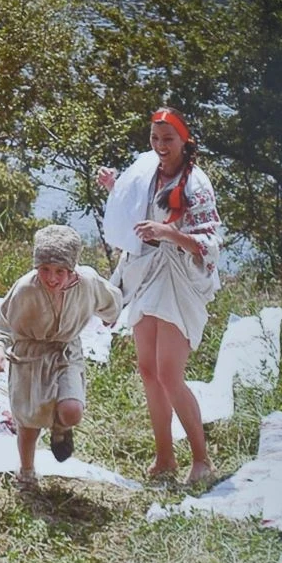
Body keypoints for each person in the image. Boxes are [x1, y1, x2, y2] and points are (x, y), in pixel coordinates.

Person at [98, 107, 221, 484]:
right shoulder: (148, 171)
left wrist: (168, 233)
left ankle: (201, 460)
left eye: (168, 139)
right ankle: (164, 457)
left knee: (169, 375)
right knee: (149, 371)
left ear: (184, 141)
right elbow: (133, 207)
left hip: (177, 278)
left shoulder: (196, 184)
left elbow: (210, 241)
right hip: (146, 271)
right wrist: (114, 187)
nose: (161, 146)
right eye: (155, 138)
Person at [0, 225, 122, 487]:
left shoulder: (87, 282)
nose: (51, 278)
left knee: (72, 410)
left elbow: (111, 301)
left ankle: (61, 427)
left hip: (66, 351)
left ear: (71, 270)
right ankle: (26, 472)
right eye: (45, 270)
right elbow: (1, 323)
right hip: (31, 355)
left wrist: (111, 318)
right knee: (29, 421)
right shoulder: (25, 288)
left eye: (60, 272)